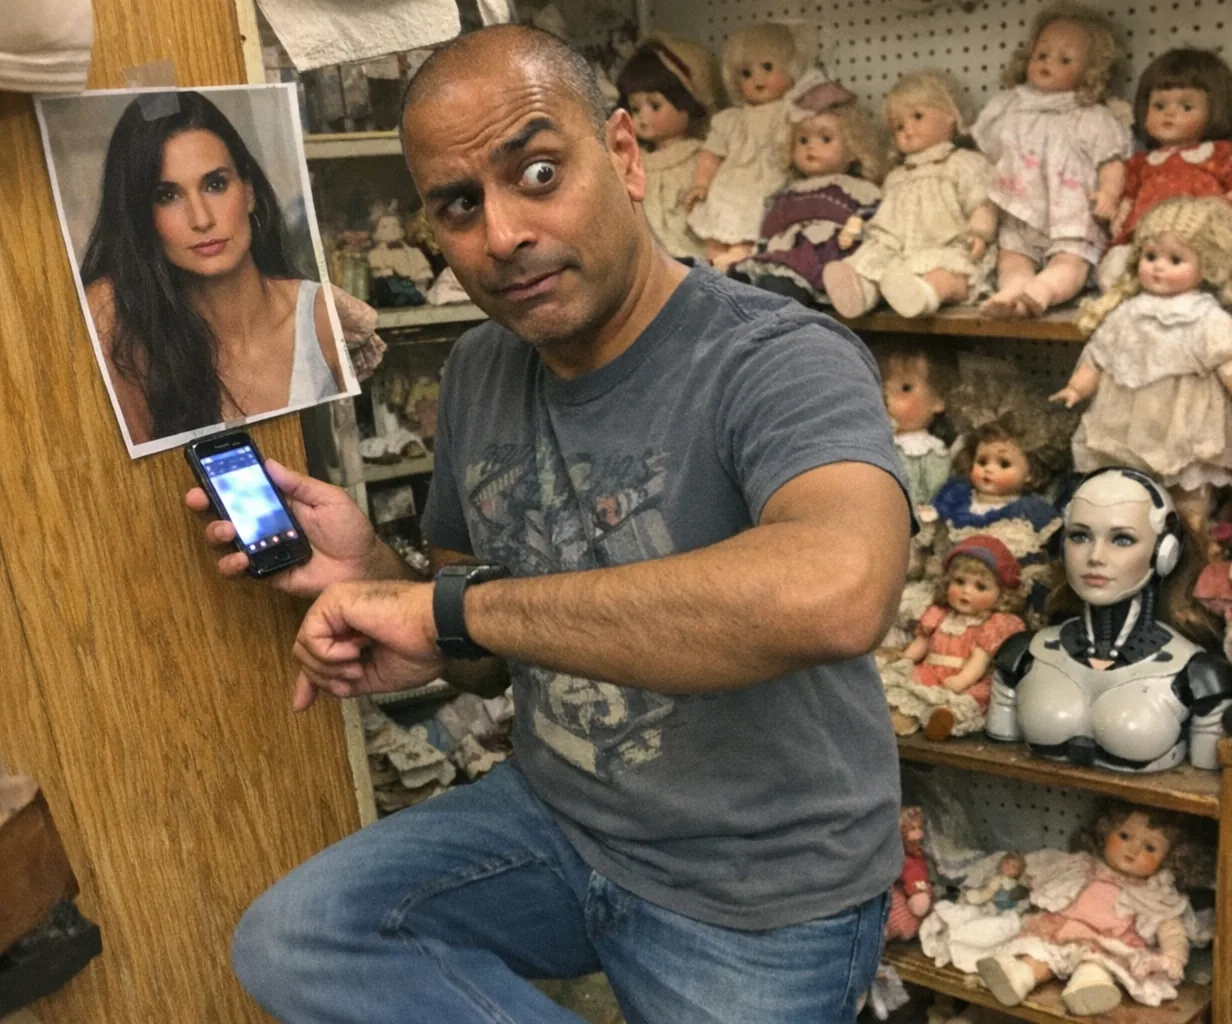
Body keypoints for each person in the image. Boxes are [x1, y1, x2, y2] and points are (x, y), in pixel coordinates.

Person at [187, 25, 911, 1024]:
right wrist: (380, 572)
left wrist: (460, 611)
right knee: (299, 936)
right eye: (458, 204)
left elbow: (836, 592)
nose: (502, 232)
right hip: (563, 823)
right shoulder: (484, 367)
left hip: (762, 891)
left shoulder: (778, 357)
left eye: (536, 171)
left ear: (623, 157)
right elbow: (485, 646)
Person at [82, 90, 343, 444]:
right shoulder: (129, 329)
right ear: (140, 216)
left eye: (216, 184)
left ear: (248, 192)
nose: (201, 219)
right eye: (167, 196)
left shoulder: (324, 316)